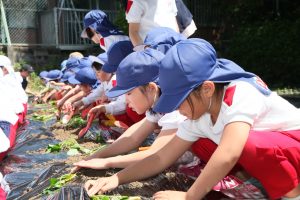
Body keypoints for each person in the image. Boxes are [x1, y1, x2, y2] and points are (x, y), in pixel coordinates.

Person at [83, 39, 300, 200]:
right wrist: (116, 179)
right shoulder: (198, 114)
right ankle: (265, 184)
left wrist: (189, 196)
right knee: (216, 143)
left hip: (294, 143)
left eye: (179, 101)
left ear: (206, 89)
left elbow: (229, 154)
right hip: (278, 154)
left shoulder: (239, 94)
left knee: (249, 145)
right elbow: (160, 158)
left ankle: (293, 194)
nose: (177, 109)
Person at [71, 48, 187, 174]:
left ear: (151, 88)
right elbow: (132, 138)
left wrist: (107, 162)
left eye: (129, 93)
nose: (126, 100)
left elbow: (155, 154)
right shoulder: (158, 106)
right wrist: (96, 156)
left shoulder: (176, 111)